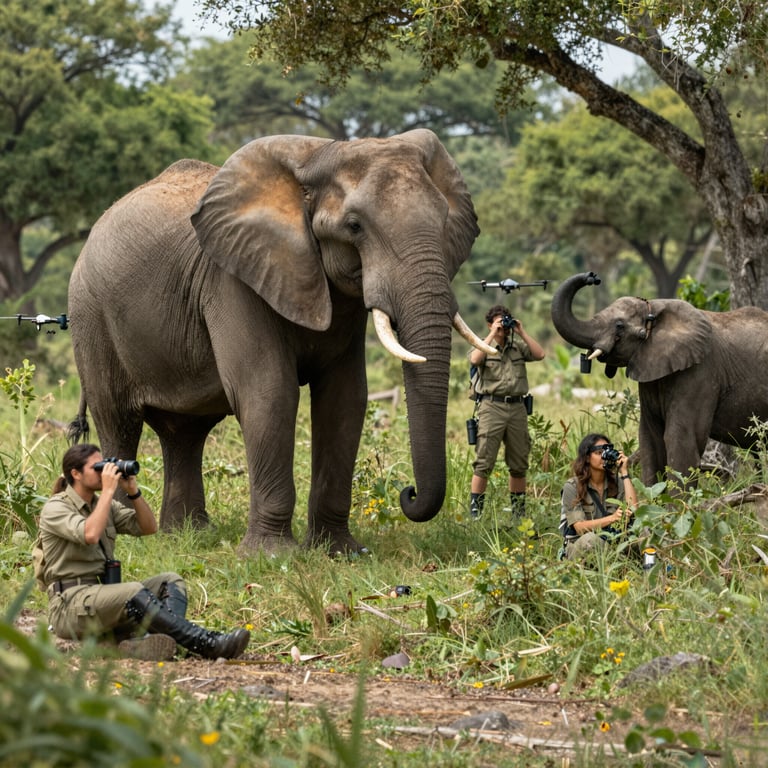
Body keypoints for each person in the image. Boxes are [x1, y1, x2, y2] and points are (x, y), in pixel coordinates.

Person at [33, 443, 251, 661]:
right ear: (75, 474)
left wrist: (133, 492)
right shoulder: (56, 508)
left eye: (104, 466)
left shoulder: (103, 505)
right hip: (70, 606)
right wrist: (109, 490)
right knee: (132, 592)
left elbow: (148, 527)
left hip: (100, 599)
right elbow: (90, 533)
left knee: (170, 581)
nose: (104, 472)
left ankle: (148, 643)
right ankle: (209, 643)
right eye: (97, 468)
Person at [468, 305, 546, 518]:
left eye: (506, 323)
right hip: (491, 407)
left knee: (519, 462)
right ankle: (476, 512)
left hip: (517, 408)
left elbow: (540, 354)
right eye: (500, 323)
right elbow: (475, 359)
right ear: (489, 324)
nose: (505, 328)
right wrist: (492, 333)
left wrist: (521, 331)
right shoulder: (484, 346)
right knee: (484, 461)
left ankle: (518, 513)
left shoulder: (518, 347)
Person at [560, 433, 638, 560]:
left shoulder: (618, 482)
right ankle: (617, 564)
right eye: (599, 452)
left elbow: (634, 508)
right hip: (582, 548)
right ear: (586, 457)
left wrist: (624, 472)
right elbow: (579, 528)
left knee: (645, 530)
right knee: (591, 540)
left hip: (613, 543)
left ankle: (651, 571)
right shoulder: (572, 486)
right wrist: (612, 518)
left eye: (606, 452)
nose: (604, 456)